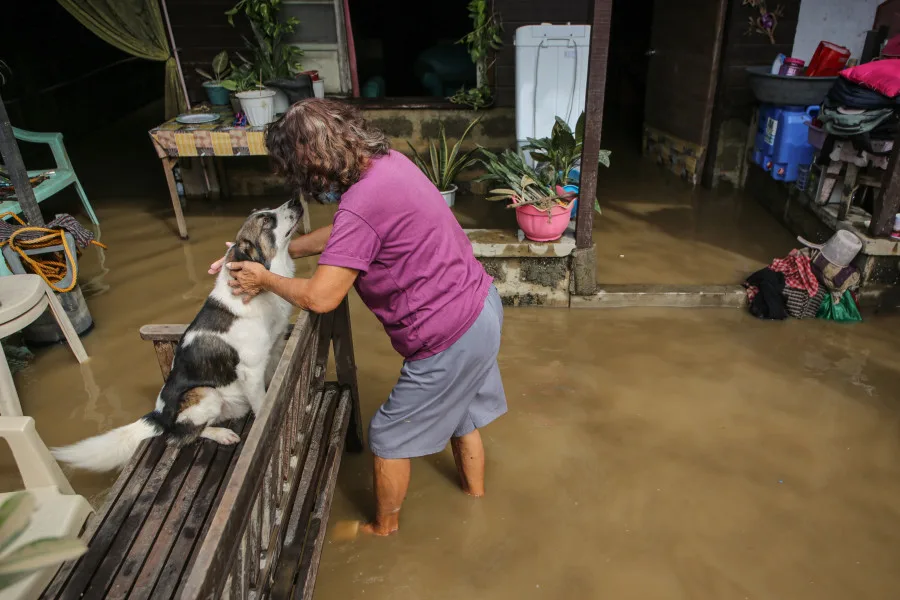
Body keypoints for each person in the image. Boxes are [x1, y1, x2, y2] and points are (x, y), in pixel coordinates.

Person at [209, 99, 506, 536]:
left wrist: (263, 278)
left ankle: (382, 530)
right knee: (462, 414)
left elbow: (321, 297)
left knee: (387, 436)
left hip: (447, 335)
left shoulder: (360, 203)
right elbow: (353, 229)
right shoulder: (390, 165)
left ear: (312, 162)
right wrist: (282, 250)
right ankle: (474, 501)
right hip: (479, 309)